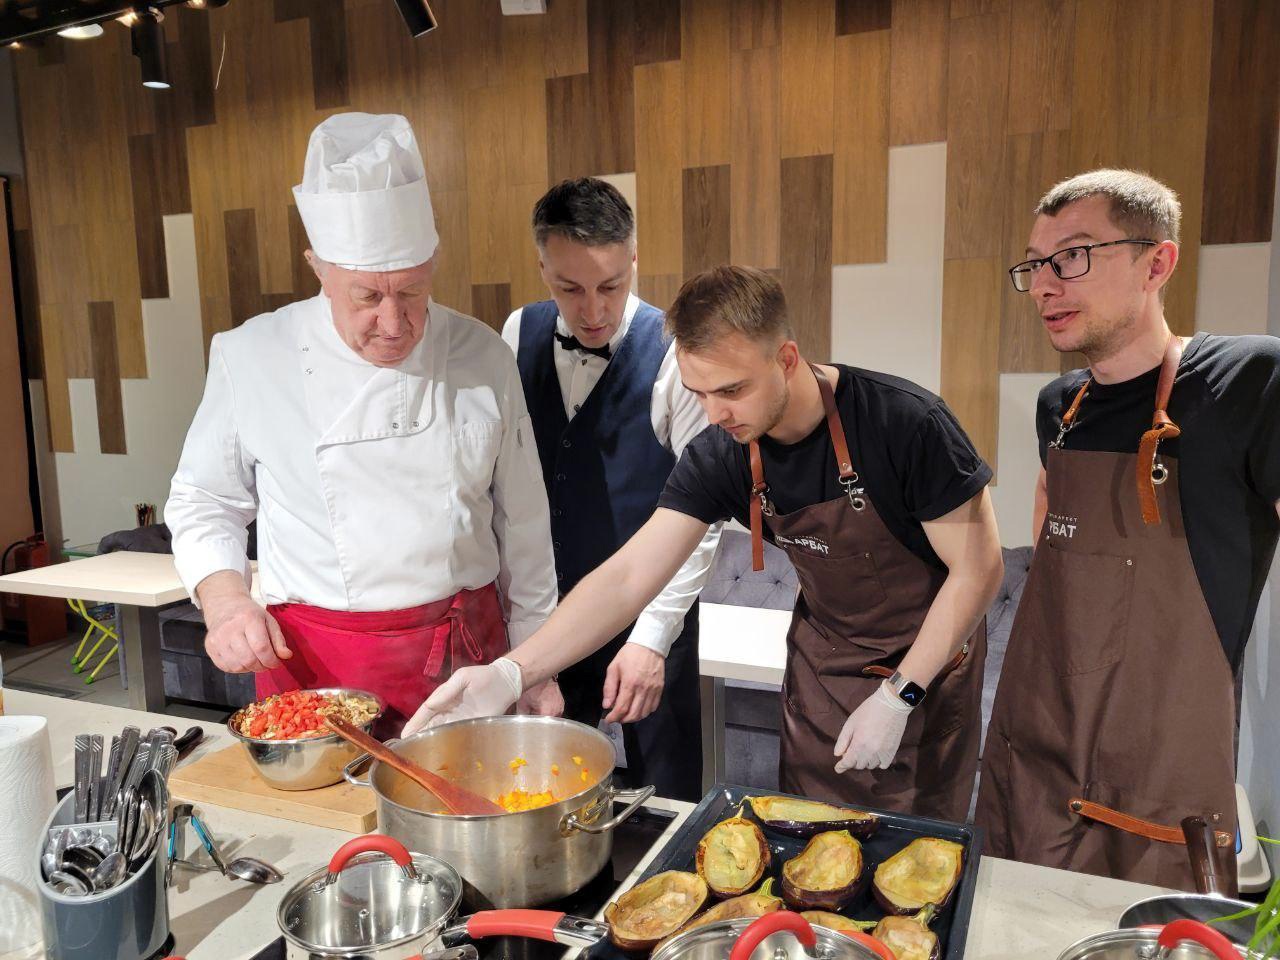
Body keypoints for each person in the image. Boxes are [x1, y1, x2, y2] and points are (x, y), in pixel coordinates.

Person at [409, 266, 1004, 820]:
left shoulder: (905, 424)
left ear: (788, 359)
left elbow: (979, 571)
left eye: (731, 390)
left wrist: (899, 696)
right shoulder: (723, 451)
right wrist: (511, 673)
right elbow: (628, 577)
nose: (715, 413)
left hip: (922, 678)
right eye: (698, 392)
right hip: (823, 675)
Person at [166, 113, 557, 737]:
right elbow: (203, 499)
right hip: (314, 675)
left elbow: (526, 525)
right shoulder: (251, 357)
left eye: (413, 292)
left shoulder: (484, 355)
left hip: (464, 667)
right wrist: (225, 601)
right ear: (318, 268)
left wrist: (537, 662)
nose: (395, 322)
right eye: (367, 299)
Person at [977, 168, 1280, 890]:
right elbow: (1055, 575)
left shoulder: (1249, 382)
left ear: (1158, 261)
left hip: (1155, 792)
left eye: (1073, 256)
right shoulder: (1061, 407)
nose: (1046, 284)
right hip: (1040, 761)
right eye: (1035, 265)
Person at [499, 178, 721, 801]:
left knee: (664, 794)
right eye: (569, 288)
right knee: (540, 791)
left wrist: (652, 638)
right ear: (542, 266)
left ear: (634, 260)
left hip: (652, 617)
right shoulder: (518, 331)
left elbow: (701, 520)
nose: (592, 311)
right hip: (551, 616)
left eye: (610, 286)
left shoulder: (677, 355)